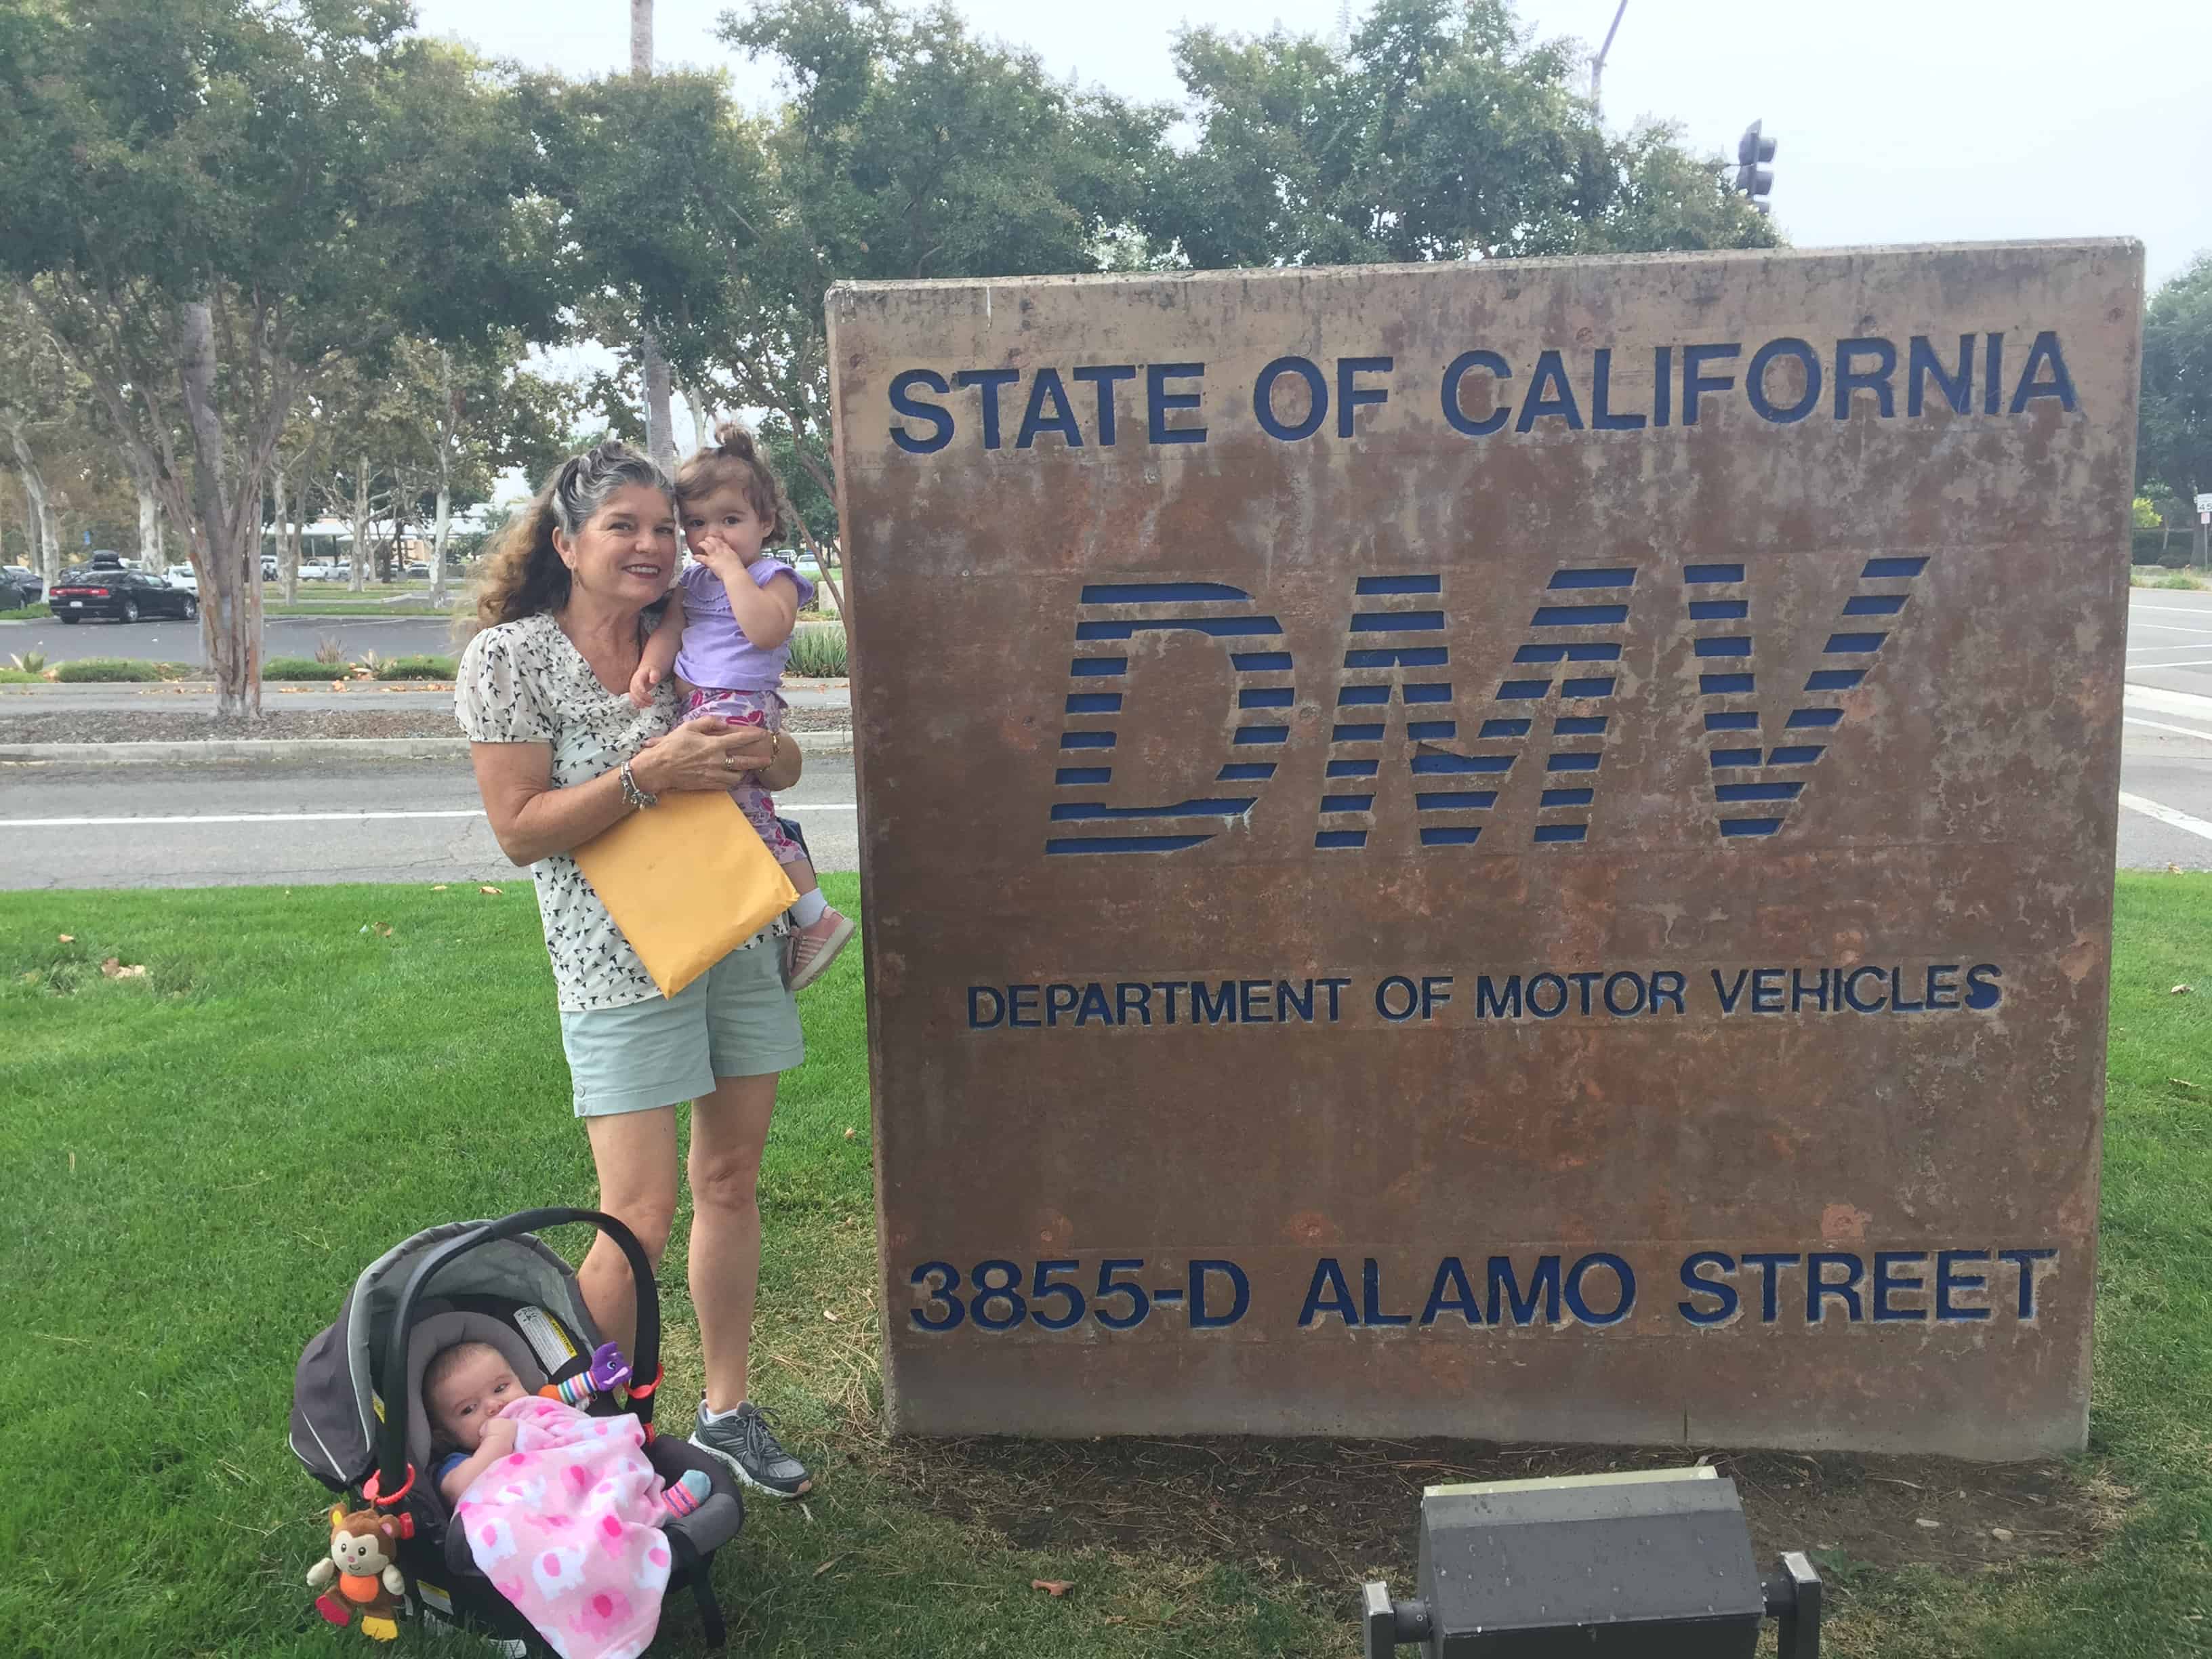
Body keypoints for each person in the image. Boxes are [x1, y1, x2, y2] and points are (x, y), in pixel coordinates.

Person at [455, 441, 814, 1498]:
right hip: (616, 965)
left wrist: (768, 755)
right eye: (624, 526)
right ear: (566, 544)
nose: (653, 545)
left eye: (664, 524)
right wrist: (648, 773)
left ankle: (727, 1412)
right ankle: (590, 1429)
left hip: (738, 929)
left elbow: (782, 748)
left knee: (730, 1181)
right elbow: (520, 831)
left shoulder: (703, 617)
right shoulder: (511, 659)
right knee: (636, 1213)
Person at [630, 422, 854, 992]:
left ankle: (815, 915)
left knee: (744, 816)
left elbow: (764, 631)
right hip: (699, 702)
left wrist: (731, 571)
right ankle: (779, 912)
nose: (714, 536)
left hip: (740, 706)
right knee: (741, 812)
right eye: (698, 523)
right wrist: (650, 666)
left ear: (766, 523)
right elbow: (675, 629)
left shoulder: (771, 577)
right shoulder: (691, 583)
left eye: (730, 520)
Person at [424, 1340, 711, 1521]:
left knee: (610, 1460)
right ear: (445, 1436)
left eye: (500, 1388)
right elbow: (456, 1489)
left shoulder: (542, 1414)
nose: (493, 1406)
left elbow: (580, 1436)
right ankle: (651, 1517)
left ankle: (649, 1503)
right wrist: (499, 1440)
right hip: (541, 1514)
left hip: (582, 1477)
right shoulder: (459, 1460)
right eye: (468, 1409)